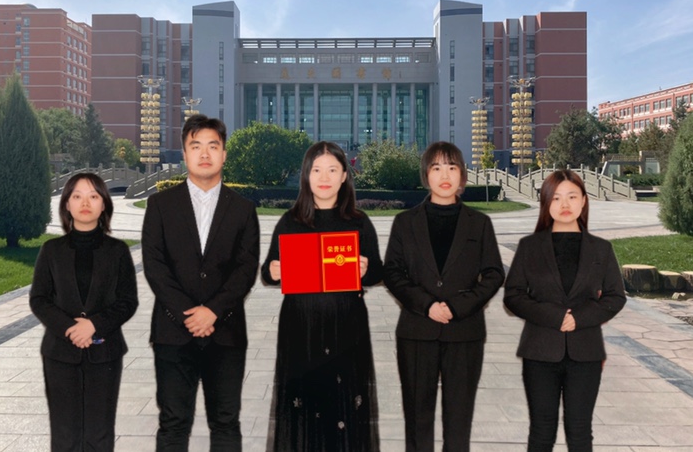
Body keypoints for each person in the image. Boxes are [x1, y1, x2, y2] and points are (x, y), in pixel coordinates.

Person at [142, 114, 260, 451]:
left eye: (213, 146)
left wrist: (213, 312)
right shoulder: (160, 205)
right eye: (196, 146)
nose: (205, 154)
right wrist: (188, 314)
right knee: (173, 423)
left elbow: (245, 269)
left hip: (226, 333)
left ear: (224, 154)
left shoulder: (242, 209)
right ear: (184, 154)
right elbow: (155, 266)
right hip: (172, 333)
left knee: (226, 423)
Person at [383, 141, 505, 452]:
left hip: (464, 333)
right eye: (436, 168)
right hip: (416, 331)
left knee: (459, 421)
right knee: (417, 419)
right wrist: (427, 305)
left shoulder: (479, 223)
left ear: (462, 174)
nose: (445, 175)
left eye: (452, 167)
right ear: (426, 174)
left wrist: (456, 307)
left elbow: (494, 274)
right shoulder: (405, 222)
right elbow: (393, 273)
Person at [261, 141, 382, 451]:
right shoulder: (290, 221)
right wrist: (273, 271)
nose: (324, 177)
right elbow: (267, 271)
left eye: (332, 170)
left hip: (347, 327)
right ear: (306, 175)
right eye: (316, 170)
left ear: (344, 176)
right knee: (304, 406)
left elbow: (379, 272)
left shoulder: (359, 222)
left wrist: (365, 269)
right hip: (301, 328)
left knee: (344, 406)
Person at [504, 169, 626, 451]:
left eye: (572, 196)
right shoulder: (530, 246)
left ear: (584, 201)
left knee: (580, 430)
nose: (565, 204)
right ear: (546, 203)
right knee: (541, 431)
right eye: (556, 198)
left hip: (586, 352)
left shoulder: (601, 249)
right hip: (539, 351)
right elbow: (514, 296)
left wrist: (579, 319)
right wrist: (555, 317)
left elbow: (615, 297)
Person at [30, 172, 139, 452]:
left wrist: (93, 325)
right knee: (64, 433)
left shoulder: (117, 251)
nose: (85, 203)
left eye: (93, 196)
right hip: (59, 354)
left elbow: (128, 301)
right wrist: (71, 328)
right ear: (67, 204)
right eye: (77, 196)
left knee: (99, 433)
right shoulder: (51, 250)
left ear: (104, 204)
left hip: (105, 353)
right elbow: (39, 299)